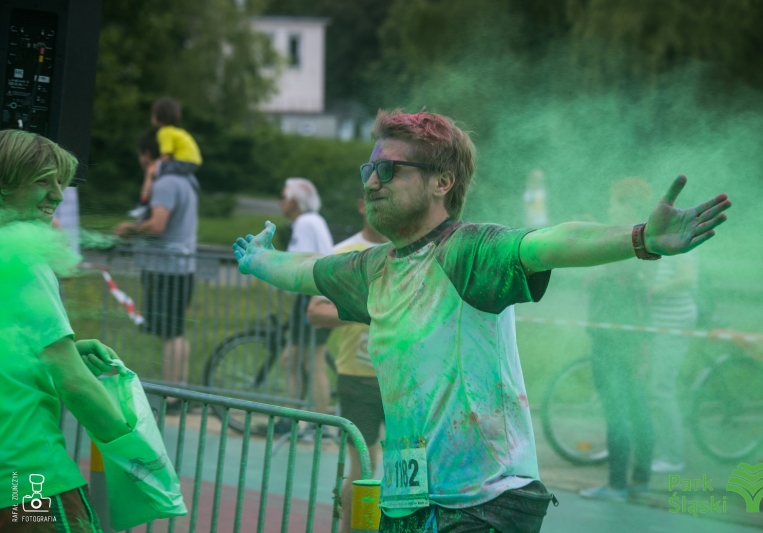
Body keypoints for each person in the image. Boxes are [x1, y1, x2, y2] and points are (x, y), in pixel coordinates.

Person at [232, 109, 731, 532]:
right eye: (369, 169)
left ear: (441, 182)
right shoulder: (374, 269)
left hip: (484, 504)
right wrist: (257, 260)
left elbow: (550, 241)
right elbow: (304, 272)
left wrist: (640, 238)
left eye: (390, 170)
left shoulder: (468, 250)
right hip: (409, 500)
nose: (371, 181)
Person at [0, 130, 131, 531]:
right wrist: (138, 452)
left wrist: (63, 349)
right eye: (42, 180)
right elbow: (72, 380)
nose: (57, 195)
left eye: (60, 181)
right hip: (29, 481)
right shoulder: (23, 260)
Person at [306, 194, 389, 533]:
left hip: (404, 379)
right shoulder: (343, 253)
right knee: (364, 470)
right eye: (372, 200)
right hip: (358, 377)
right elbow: (315, 312)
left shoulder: (413, 250)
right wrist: (367, 310)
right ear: (359, 204)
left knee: (411, 472)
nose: (379, 206)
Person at [578, 177, 656, 502]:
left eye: (614, 202)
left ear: (628, 206)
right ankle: (639, 481)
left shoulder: (620, 245)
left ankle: (616, 486)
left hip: (611, 339)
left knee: (618, 413)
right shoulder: (646, 241)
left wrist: (592, 235)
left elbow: (592, 278)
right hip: (637, 337)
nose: (610, 207)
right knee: (638, 408)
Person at [114, 130, 199, 392]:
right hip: (181, 267)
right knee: (175, 332)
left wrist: (130, 228)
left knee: (170, 333)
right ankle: (178, 390)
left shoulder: (166, 183)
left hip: (167, 269)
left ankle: (171, 396)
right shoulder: (187, 179)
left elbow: (157, 224)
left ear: (147, 154)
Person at [278, 178, 334, 419]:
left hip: (314, 298)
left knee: (312, 362)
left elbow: (293, 264)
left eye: (283, 197)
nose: (280, 202)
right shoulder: (313, 221)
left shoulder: (304, 222)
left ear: (293, 201)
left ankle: (318, 422)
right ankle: (292, 418)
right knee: (292, 360)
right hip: (317, 295)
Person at [648, 252, 699, 473]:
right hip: (655, 324)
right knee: (652, 387)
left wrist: (654, 291)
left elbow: (688, 278)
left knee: (661, 389)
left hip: (673, 324)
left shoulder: (680, 243)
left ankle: (673, 457)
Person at [130, 98, 202, 221]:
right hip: (193, 162)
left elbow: (166, 155)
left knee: (151, 171)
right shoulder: (179, 131)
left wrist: (154, 164)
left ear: (157, 117)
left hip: (183, 162)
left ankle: (142, 204)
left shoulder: (164, 132)